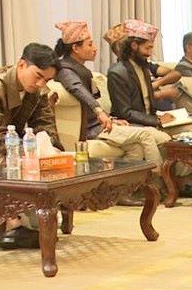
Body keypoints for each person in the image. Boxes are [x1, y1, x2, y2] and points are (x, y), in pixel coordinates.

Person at [53, 21, 170, 205]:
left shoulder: (82, 69)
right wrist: (100, 112)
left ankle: (123, 191)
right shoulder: (65, 70)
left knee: (135, 147)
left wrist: (111, 119)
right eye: (90, 44)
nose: (95, 48)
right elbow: (77, 89)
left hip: (101, 124)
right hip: (90, 129)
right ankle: (159, 184)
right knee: (145, 135)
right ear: (75, 48)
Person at [0, 43, 64, 249]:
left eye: (46, 80)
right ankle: (13, 222)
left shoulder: (38, 90)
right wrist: (28, 155)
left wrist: (51, 150)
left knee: (48, 164)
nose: (40, 83)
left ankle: (33, 222)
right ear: (22, 64)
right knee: (12, 164)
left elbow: (45, 125)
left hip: (10, 143)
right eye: (38, 76)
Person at [107, 19, 192, 134]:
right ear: (134, 46)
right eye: (147, 48)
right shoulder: (118, 73)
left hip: (156, 115)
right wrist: (158, 120)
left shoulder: (144, 66)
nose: (150, 53)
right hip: (140, 123)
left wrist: (156, 87)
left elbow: (176, 74)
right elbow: (125, 112)